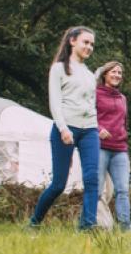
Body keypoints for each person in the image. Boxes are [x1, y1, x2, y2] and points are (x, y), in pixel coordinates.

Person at [28, 26, 100, 230]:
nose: (89, 47)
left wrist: (95, 125)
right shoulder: (59, 68)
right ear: (72, 41)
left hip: (90, 130)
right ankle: (34, 222)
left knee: (92, 178)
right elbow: (55, 102)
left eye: (92, 44)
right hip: (66, 128)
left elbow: (91, 102)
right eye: (86, 42)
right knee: (59, 184)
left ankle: (87, 226)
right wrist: (63, 128)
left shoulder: (87, 73)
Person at [94, 60, 131, 231]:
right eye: (113, 72)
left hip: (120, 149)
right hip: (100, 146)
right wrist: (98, 128)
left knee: (122, 189)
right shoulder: (95, 94)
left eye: (119, 73)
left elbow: (124, 122)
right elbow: (87, 116)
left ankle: (125, 225)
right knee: (98, 189)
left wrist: (123, 136)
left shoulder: (123, 98)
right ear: (105, 74)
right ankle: (98, 224)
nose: (117, 75)